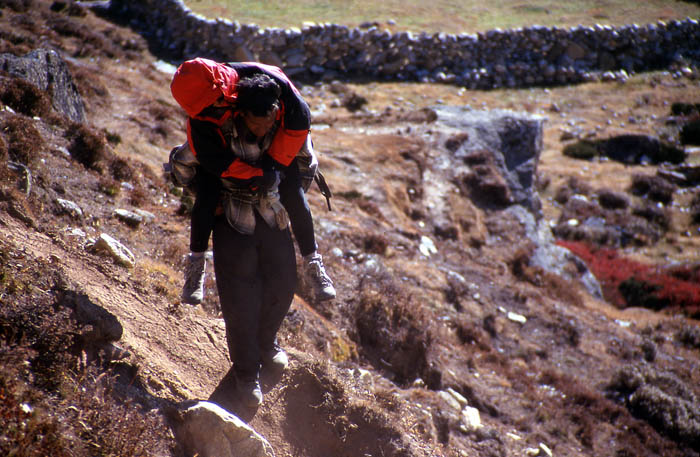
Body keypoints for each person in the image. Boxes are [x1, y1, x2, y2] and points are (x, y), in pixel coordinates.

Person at [171, 61, 302, 407]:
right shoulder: (207, 122)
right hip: (231, 219)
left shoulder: (272, 105)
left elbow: (303, 152)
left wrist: (287, 183)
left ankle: (267, 343)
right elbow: (183, 163)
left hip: (273, 216)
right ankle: (247, 374)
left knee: (284, 283)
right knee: (239, 301)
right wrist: (205, 187)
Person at [170, 58, 335, 306]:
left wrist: (271, 170)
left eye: (213, 103)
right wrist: (254, 175)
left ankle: (313, 262)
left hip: (280, 141)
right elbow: (214, 161)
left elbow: (293, 134)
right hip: (225, 149)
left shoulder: (291, 104)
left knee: (292, 191)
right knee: (207, 191)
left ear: (223, 88)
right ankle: (195, 266)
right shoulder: (203, 112)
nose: (209, 110)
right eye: (202, 109)